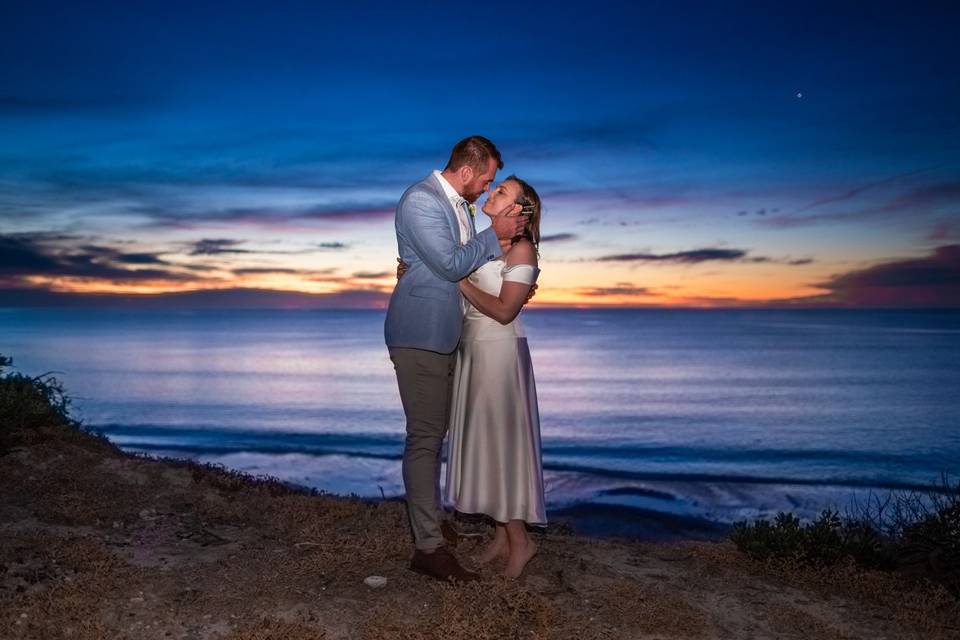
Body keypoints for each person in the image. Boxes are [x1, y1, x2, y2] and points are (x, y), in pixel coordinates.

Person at [384, 136, 528, 583]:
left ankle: (432, 521)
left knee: (435, 435)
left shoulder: (460, 207)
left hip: (449, 334)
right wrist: (495, 237)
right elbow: (449, 263)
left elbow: (453, 268)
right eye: (486, 179)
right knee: (425, 439)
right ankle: (427, 547)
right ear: (467, 171)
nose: (487, 188)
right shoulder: (420, 200)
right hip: (421, 334)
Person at [444, 175, 545, 579]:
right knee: (486, 444)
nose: (491, 192)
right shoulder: (484, 241)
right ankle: (502, 537)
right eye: (494, 187)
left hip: (499, 354)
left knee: (501, 446)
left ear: (518, 210)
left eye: (501, 191)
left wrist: (461, 283)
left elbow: (505, 310)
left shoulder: (522, 249)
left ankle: (522, 542)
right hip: (474, 350)